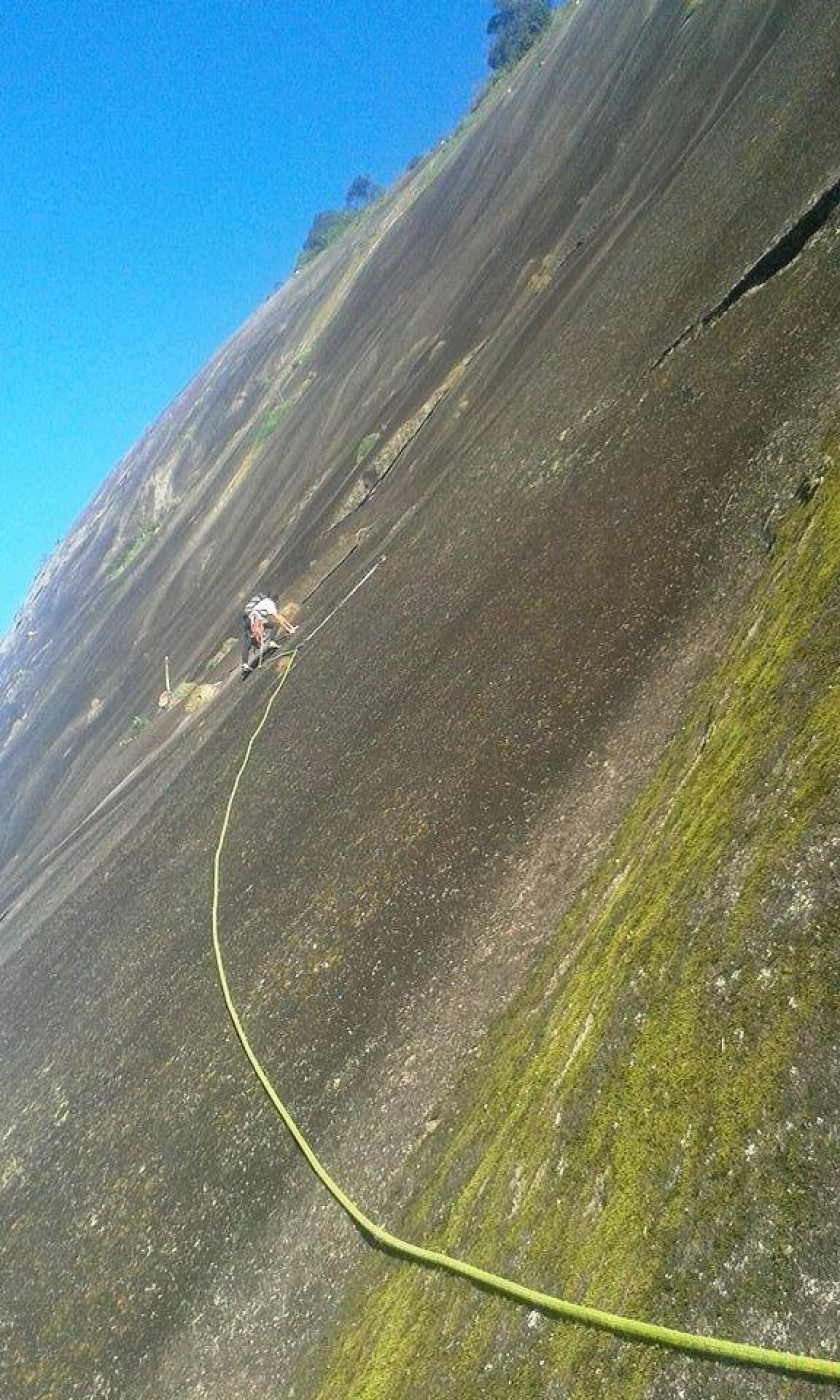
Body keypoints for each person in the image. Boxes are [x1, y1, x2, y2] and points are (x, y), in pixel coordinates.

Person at [240, 593, 297, 677]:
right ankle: (271, 643)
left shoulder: (265, 601)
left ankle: (245, 663)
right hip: (255, 619)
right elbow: (278, 617)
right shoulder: (271, 604)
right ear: (275, 601)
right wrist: (289, 629)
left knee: (248, 640)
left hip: (251, 619)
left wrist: (290, 627)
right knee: (274, 626)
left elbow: (279, 617)